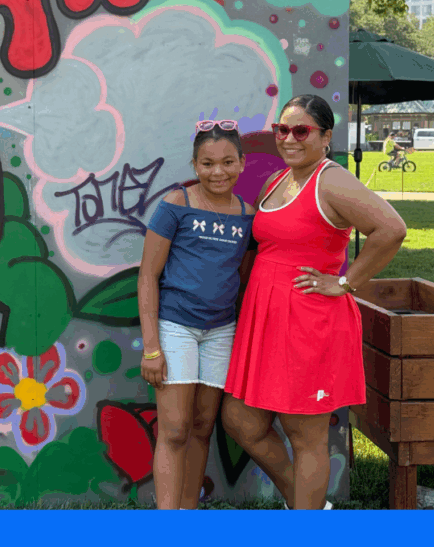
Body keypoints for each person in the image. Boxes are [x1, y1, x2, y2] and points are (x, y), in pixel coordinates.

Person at [221, 94, 407, 510]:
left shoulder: (331, 179)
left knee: (306, 437)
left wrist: (345, 282)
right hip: (266, 321)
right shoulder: (281, 178)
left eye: (301, 130)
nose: (289, 138)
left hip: (308, 321)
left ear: (325, 136)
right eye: (282, 130)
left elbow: (391, 229)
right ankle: (308, 505)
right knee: (240, 420)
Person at [138, 120, 256, 509]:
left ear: (241, 163)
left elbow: (240, 280)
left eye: (226, 162)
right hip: (176, 328)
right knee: (174, 431)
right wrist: (152, 347)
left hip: (221, 331)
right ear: (194, 165)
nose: (217, 171)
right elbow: (147, 277)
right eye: (207, 163)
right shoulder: (176, 204)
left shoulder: (247, 216)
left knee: (203, 427)